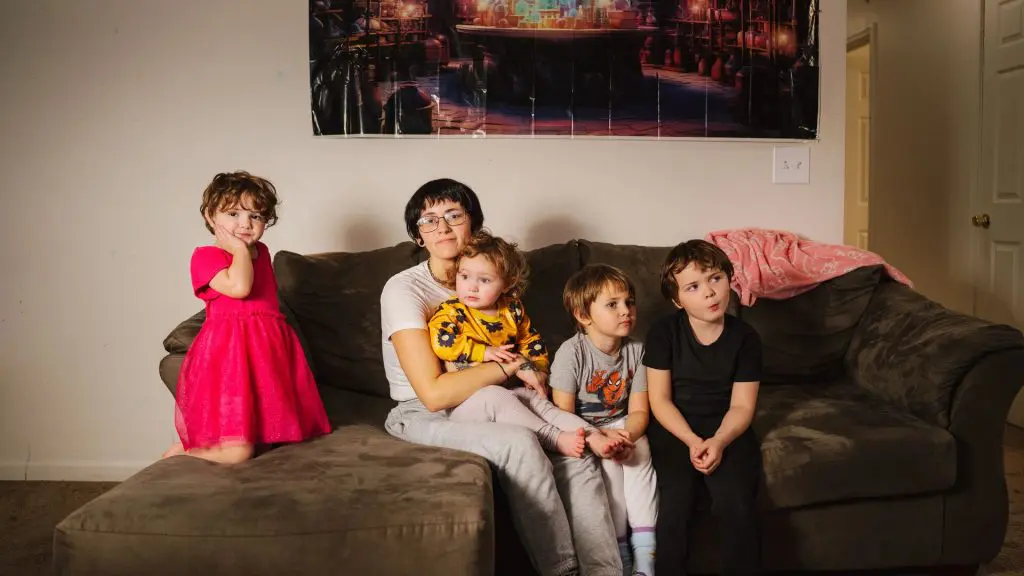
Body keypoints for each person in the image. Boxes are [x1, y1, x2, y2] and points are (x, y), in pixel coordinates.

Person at [381, 178, 623, 576]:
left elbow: (528, 349)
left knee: (577, 456)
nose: (442, 227)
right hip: (423, 411)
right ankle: (562, 570)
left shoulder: (493, 281)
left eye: (453, 215)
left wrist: (531, 371)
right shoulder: (404, 289)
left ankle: (606, 571)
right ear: (417, 235)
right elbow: (433, 395)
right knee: (521, 442)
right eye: (428, 220)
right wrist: (508, 367)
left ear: (473, 223)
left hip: (500, 396)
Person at [164, 171, 332, 464]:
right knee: (239, 451)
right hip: (230, 356)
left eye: (255, 216)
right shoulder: (206, 256)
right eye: (233, 213)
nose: (245, 223)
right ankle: (180, 455)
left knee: (272, 439)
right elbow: (240, 288)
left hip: (267, 351)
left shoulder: (262, 252)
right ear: (210, 215)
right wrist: (239, 249)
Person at [428, 230, 628, 458]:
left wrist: (537, 370)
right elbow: (442, 342)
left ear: (507, 283)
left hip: (510, 388)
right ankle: (554, 437)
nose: (472, 287)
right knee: (498, 397)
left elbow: (531, 342)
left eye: (484, 280)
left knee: (541, 404)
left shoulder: (512, 309)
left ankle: (593, 435)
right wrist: (484, 352)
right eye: (464, 276)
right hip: (467, 402)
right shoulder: (451, 311)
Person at [642, 239, 764, 575]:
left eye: (715, 279)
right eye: (693, 287)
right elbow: (659, 400)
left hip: (726, 427)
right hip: (675, 427)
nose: (710, 292)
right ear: (677, 300)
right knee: (675, 504)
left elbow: (742, 406)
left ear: (729, 279)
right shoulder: (663, 333)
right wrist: (693, 441)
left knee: (734, 502)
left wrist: (719, 441)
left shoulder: (746, 338)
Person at [551, 264, 659, 576]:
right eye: (612, 305)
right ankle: (622, 558)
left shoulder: (637, 351)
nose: (626, 311)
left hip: (622, 425)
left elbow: (639, 412)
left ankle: (646, 561)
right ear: (583, 315)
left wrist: (628, 437)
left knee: (641, 457)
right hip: (584, 431)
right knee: (611, 471)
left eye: (629, 302)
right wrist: (604, 441)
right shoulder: (571, 354)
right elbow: (562, 415)